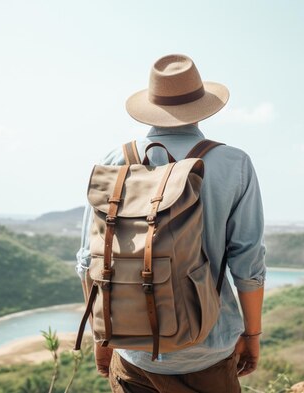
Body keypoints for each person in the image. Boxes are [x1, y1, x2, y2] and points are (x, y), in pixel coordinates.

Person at [76, 54, 266, 393]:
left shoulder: (115, 162)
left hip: (134, 354)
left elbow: (89, 261)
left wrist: (101, 335)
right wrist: (251, 335)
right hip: (209, 349)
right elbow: (248, 263)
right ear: (201, 104)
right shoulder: (233, 163)